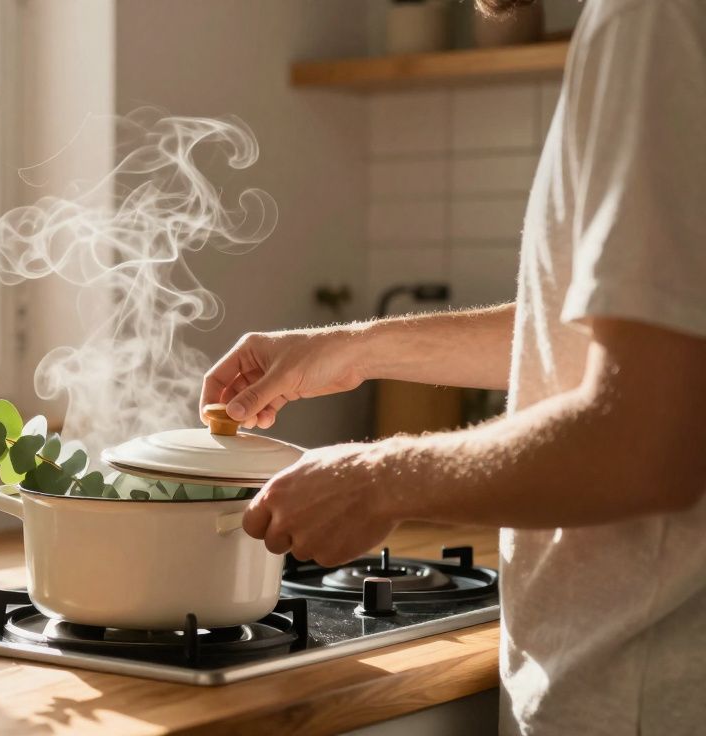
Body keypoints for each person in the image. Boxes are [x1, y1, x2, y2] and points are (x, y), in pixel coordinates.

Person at [201, 0, 706, 733]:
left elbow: (646, 440)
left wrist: (377, 480)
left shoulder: (653, 17)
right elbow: (593, 340)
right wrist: (350, 348)